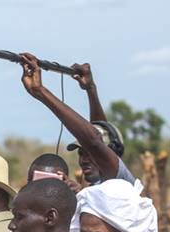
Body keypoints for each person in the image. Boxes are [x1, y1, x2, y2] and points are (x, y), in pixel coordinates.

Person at [19, 53, 138, 188]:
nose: (84, 160)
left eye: (90, 154)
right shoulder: (96, 189)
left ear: (112, 154)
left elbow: (94, 141)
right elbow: (97, 133)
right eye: (81, 154)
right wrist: (90, 89)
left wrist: (40, 91)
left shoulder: (122, 183)